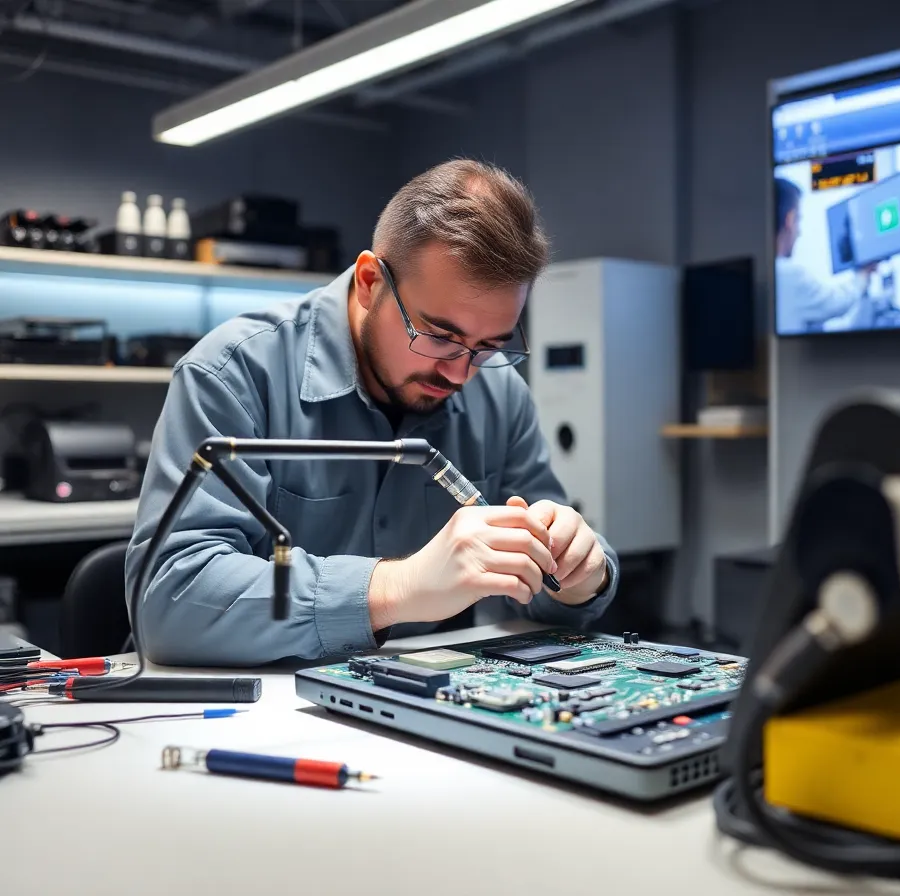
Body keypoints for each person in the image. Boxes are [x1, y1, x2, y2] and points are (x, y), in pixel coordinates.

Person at [126, 160, 619, 667]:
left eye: (490, 345)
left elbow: (548, 588)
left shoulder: (500, 392)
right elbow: (169, 599)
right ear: (369, 282)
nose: (460, 374)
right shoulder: (233, 373)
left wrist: (579, 576)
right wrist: (397, 587)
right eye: (440, 337)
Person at [774, 176, 876, 334]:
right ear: (790, 219)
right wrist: (863, 274)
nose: (799, 232)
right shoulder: (788, 275)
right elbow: (839, 302)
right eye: (799, 220)